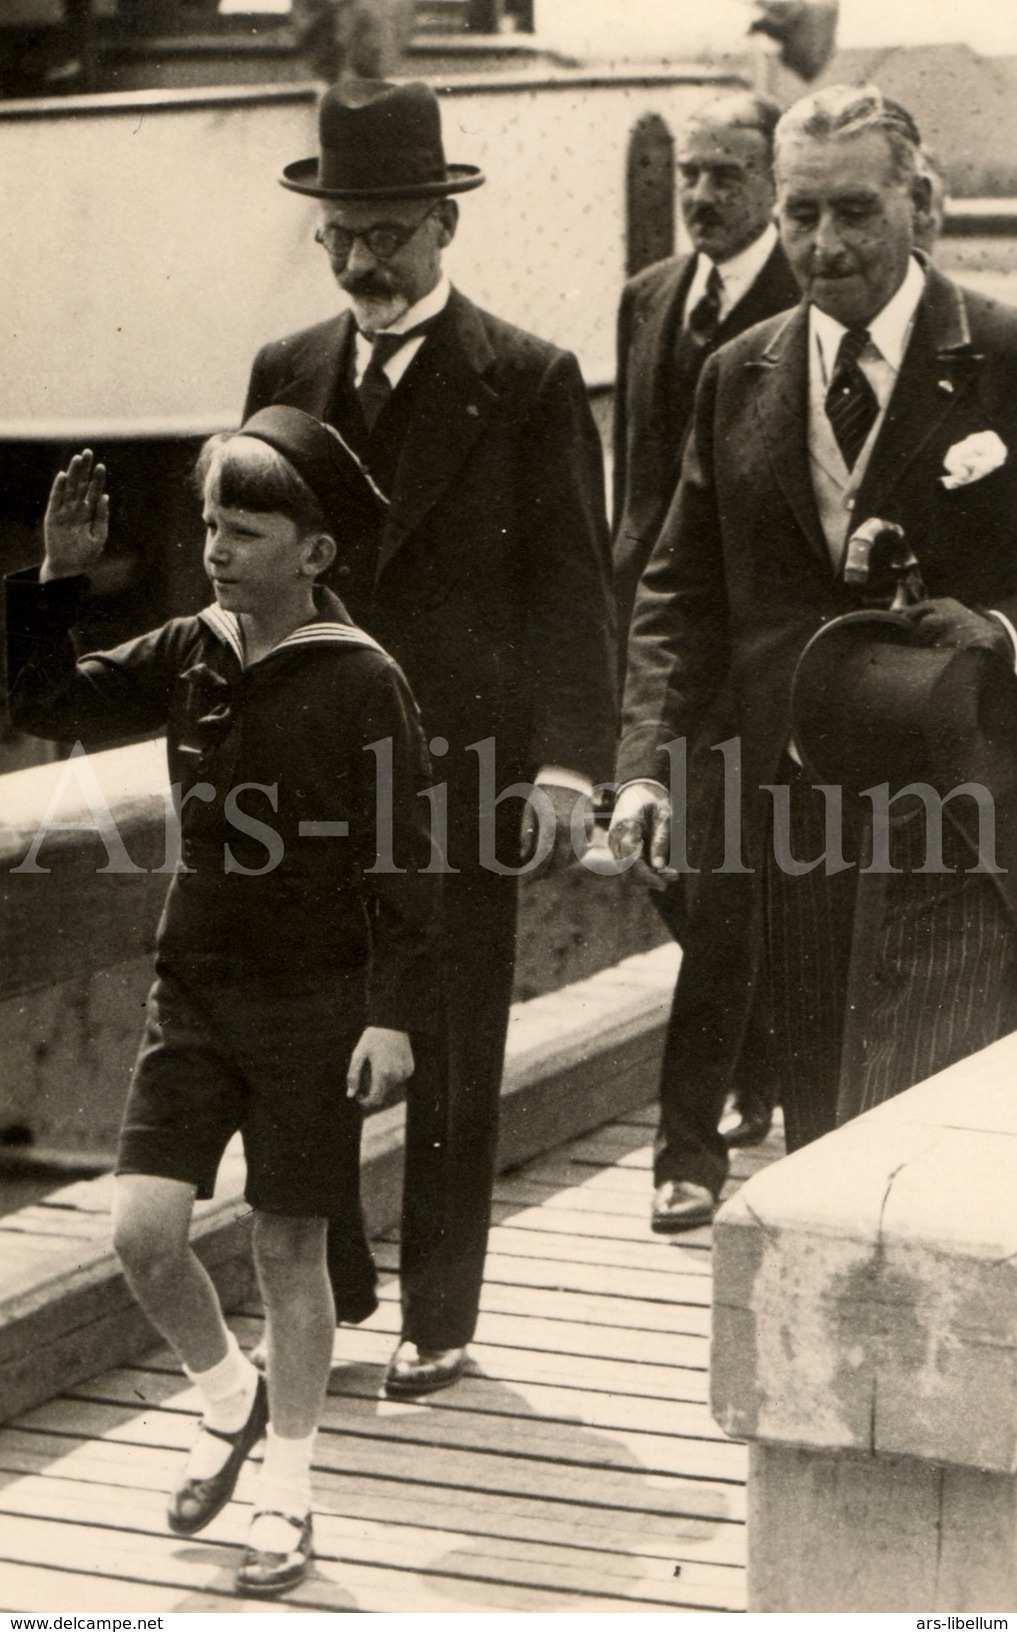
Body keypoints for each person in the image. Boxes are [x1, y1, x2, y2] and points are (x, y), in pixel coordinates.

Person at [5, 409, 436, 1596]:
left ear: (315, 553)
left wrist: (391, 1012)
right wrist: (57, 580)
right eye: (207, 526)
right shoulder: (189, 648)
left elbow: (410, 856)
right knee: (143, 1231)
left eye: (243, 530)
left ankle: (290, 1492)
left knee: (288, 1247)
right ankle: (226, 1395)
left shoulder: (364, 681)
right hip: (193, 991)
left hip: (315, 1005)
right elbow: (54, 703)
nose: (215, 550)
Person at [244, 79, 616, 1398]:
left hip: (467, 775)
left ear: (441, 227)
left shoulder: (525, 380)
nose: (363, 263)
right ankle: (340, 1288)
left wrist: (570, 769)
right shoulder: (285, 374)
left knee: (452, 1047)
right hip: (316, 784)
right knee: (317, 1030)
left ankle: (439, 1315)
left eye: (388, 235)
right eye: (341, 234)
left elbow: (578, 591)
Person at [611, 83, 1017, 1166]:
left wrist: (996, 632)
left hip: (964, 806)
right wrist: (647, 768)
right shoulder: (735, 376)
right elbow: (680, 587)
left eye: (854, 212)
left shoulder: (1004, 353)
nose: (823, 246)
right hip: (795, 812)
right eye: (800, 214)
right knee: (823, 1111)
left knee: (950, 1118)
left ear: (919, 203)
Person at [613, 90, 800, 1234]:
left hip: (761, 660)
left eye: (728, 172)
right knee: (667, 874)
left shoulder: (799, 304)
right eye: (690, 172)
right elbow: (641, 493)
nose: (703, 194)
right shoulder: (647, 299)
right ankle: (766, 1049)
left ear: (773, 182)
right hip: (663, 651)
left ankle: (686, 1148)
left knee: (723, 893)